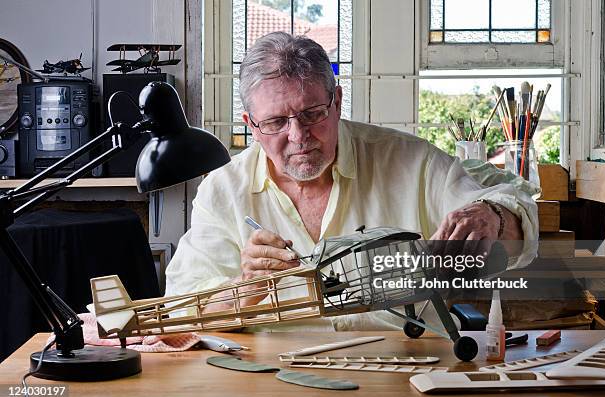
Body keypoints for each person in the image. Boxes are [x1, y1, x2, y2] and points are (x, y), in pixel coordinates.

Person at [164, 32, 538, 331]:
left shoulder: (412, 162)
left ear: (338, 102)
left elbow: (516, 205)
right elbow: (180, 310)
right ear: (251, 126)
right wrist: (245, 289)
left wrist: (493, 216)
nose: (299, 136)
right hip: (271, 376)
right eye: (276, 122)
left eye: (312, 114)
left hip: (405, 366)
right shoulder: (222, 190)